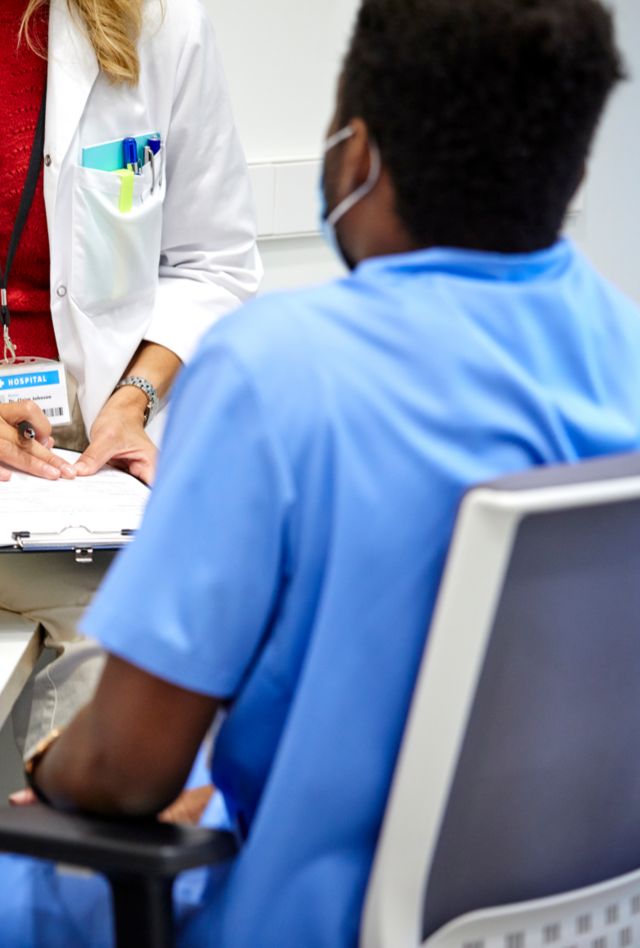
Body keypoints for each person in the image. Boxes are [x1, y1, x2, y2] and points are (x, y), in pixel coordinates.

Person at [2, 0, 639, 945]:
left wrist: (51, 769)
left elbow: (125, 772)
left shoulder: (276, 375)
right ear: (577, 163)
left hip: (288, 911)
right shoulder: (621, 353)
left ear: (356, 154)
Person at [0, 0, 260, 757]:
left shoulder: (161, 23)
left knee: (123, 668)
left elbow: (215, 261)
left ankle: (71, 868)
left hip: (92, 460)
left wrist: (131, 401)